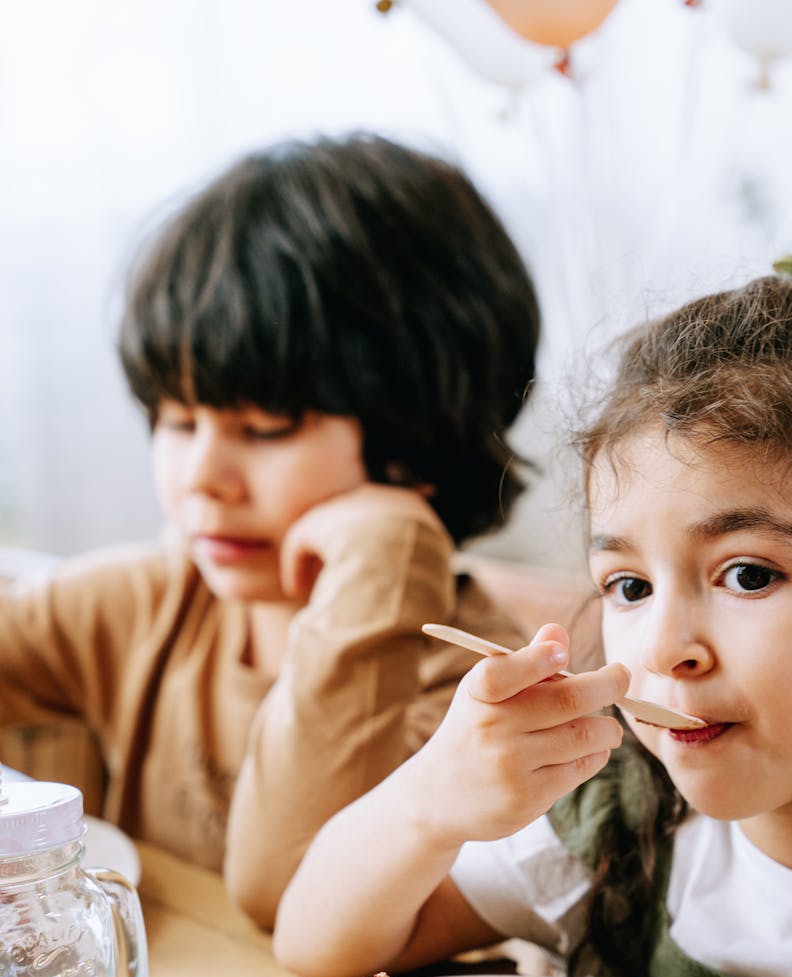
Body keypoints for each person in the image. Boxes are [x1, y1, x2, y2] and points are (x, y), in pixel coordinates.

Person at [274, 266, 792, 977]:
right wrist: (430, 805)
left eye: (747, 574)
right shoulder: (614, 826)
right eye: (628, 586)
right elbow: (319, 947)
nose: (661, 648)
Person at [0, 133, 540, 928]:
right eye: (179, 421)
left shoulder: (473, 699)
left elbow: (285, 891)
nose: (201, 477)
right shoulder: (147, 605)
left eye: (265, 428)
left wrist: (387, 559)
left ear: (416, 439)